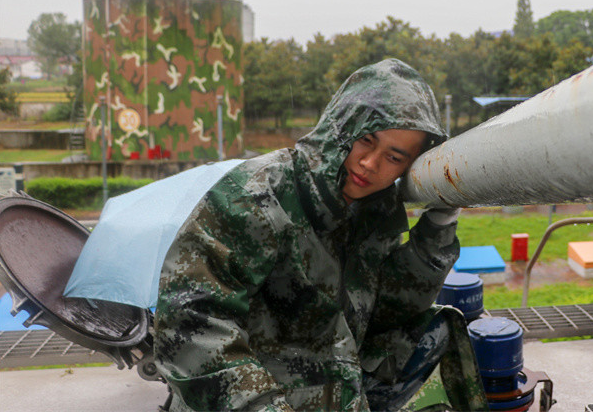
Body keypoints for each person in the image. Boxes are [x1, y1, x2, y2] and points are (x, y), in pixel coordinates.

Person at [153, 59, 487, 412]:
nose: (370, 163)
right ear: (339, 127)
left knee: (442, 324)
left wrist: (438, 226)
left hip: (333, 398)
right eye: (365, 140)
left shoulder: (373, 212)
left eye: (393, 156)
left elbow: (383, 313)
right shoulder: (254, 198)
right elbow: (190, 325)